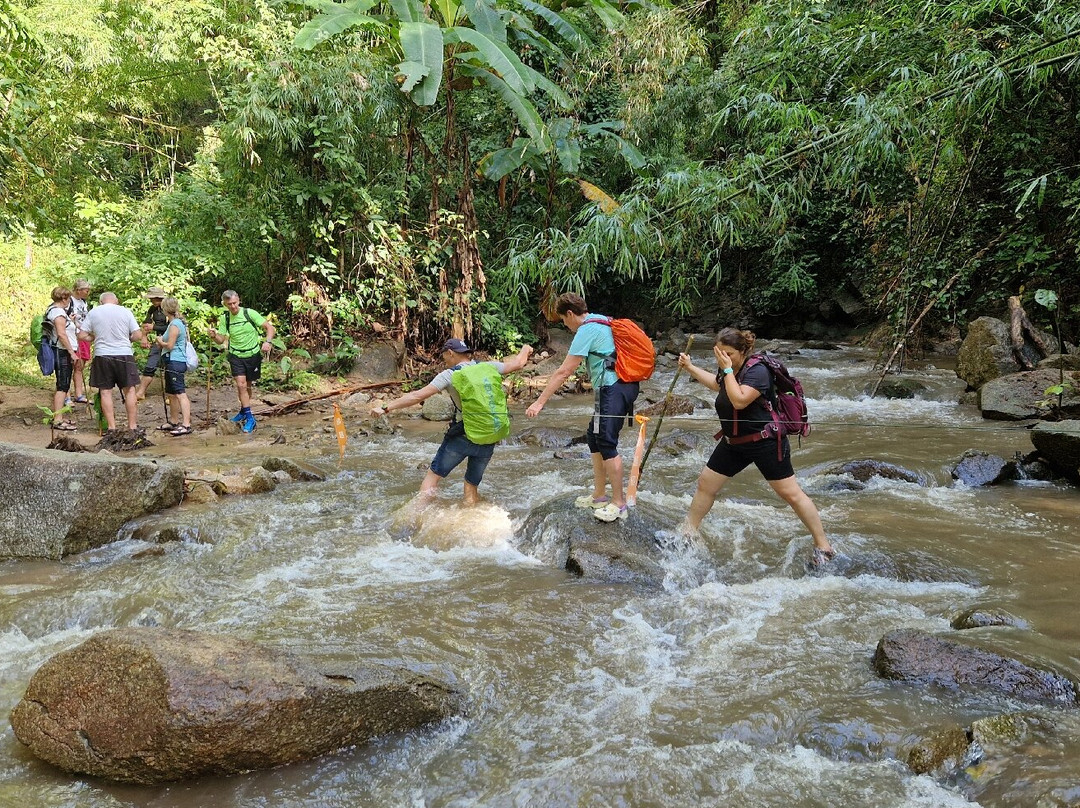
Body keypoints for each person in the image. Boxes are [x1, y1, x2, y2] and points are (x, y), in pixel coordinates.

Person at [677, 328, 836, 567]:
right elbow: (719, 385)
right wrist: (690, 368)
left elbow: (739, 400)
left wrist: (727, 369)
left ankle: (823, 546)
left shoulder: (758, 371)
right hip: (733, 442)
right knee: (705, 484)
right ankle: (688, 532)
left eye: (729, 353)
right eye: (720, 354)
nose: (724, 358)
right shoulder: (729, 367)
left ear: (743, 351)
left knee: (791, 494)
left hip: (765, 442)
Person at [372, 338, 533, 505]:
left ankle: (415, 517)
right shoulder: (488, 366)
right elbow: (518, 363)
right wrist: (526, 348)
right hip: (489, 434)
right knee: (471, 485)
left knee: (433, 477)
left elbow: (417, 396)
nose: (444, 361)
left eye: (444, 357)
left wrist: (385, 407)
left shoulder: (450, 375)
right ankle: (470, 517)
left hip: (462, 436)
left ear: (450, 353)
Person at [525, 293, 640, 522]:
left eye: (564, 320)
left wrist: (539, 402)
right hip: (616, 387)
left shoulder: (587, 330)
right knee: (594, 437)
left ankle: (619, 503)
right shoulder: (602, 320)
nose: (566, 326)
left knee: (606, 441)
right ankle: (599, 495)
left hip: (613, 388)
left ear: (570, 313)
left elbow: (564, 371)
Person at [207, 290, 275, 433]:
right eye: (229, 304)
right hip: (236, 355)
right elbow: (221, 339)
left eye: (234, 303)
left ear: (239, 301)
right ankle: (250, 418)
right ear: (225, 304)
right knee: (241, 385)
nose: (233, 307)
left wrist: (267, 342)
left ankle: (244, 411)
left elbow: (270, 327)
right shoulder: (225, 318)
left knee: (247, 386)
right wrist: (214, 336)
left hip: (253, 354)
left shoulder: (249, 313)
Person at [78, 292, 143, 433]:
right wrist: (127, 339)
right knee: (130, 390)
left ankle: (112, 427)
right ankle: (132, 426)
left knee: (105, 392)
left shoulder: (94, 312)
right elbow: (138, 335)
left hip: (102, 355)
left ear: (101, 302)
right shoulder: (125, 311)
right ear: (116, 301)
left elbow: (82, 335)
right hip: (124, 354)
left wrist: (95, 338)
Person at [155, 297, 193, 436]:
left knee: (180, 393)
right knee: (171, 393)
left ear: (165, 310)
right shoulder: (173, 323)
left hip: (175, 361)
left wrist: (160, 341)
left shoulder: (175, 324)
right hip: (170, 361)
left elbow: (170, 345)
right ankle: (174, 421)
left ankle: (186, 424)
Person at [44, 287, 79, 432]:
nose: (69, 301)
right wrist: (72, 353)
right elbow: (62, 334)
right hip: (62, 351)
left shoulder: (55, 311)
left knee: (63, 384)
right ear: (64, 299)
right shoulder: (58, 313)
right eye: (68, 299)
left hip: (62, 351)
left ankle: (59, 417)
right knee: (63, 385)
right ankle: (57, 420)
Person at [135, 286, 168, 401]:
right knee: (150, 365)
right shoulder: (152, 309)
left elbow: (174, 326)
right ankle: (140, 392)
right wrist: (144, 337)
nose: (151, 301)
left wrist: (154, 327)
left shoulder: (169, 308)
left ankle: (172, 394)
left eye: (153, 299)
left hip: (171, 341)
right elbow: (146, 323)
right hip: (158, 341)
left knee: (170, 367)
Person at [69, 279, 92, 404]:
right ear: (79, 290)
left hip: (84, 335)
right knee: (71, 365)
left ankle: (79, 394)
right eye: (86, 290)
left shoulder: (83, 302)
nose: (88, 292)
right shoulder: (69, 301)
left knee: (80, 365)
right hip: (74, 336)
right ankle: (66, 395)